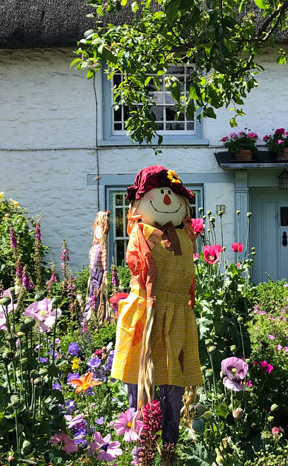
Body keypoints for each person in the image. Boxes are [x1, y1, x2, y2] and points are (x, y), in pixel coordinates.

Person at [110, 165, 202, 444]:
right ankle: (141, 446)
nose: (165, 198)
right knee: (142, 380)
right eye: (158, 192)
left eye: (171, 193)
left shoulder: (185, 237)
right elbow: (137, 264)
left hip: (177, 315)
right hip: (146, 314)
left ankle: (170, 446)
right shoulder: (142, 235)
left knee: (173, 382)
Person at [85, 210, 110, 322]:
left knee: (98, 294)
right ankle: (89, 315)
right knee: (92, 293)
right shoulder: (95, 246)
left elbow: (104, 261)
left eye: (100, 230)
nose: (97, 232)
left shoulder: (102, 246)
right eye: (96, 230)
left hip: (99, 272)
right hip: (93, 272)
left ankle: (98, 316)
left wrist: (105, 272)